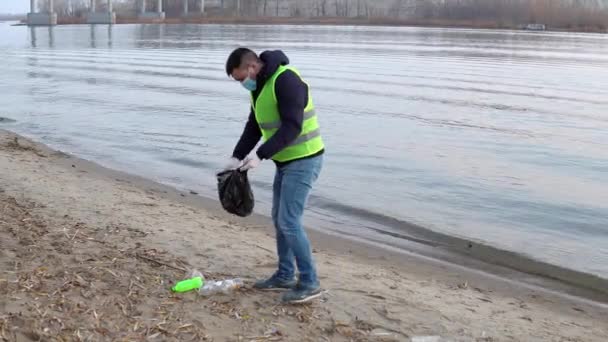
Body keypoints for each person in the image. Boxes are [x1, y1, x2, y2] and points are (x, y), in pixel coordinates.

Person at [223, 48, 325, 304]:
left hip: (305, 159)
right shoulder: (259, 87)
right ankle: (285, 274)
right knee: (279, 219)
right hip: (284, 161)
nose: (241, 84)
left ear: (251, 68)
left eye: (239, 79)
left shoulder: (286, 80)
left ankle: (310, 282)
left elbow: (293, 126)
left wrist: (261, 155)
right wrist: (236, 157)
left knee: (289, 221)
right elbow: (254, 126)